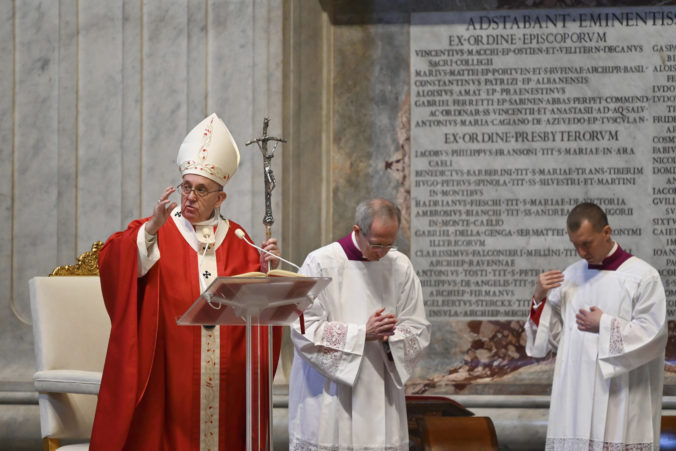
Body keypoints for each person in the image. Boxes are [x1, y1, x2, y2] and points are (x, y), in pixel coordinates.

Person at [90, 113, 282, 450]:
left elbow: (258, 311)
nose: (190, 197)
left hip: (225, 377)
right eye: (186, 187)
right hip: (169, 371)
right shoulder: (157, 229)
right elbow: (111, 261)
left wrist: (267, 272)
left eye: (201, 190)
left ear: (220, 198)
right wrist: (149, 230)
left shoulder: (239, 238)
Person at [288, 198, 431, 450]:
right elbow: (304, 329)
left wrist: (392, 337)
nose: (383, 253)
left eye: (390, 244)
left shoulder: (400, 266)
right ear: (357, 231)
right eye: (377, 244)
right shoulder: (320, 263)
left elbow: (418, 327)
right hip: (331, 394)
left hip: (382, 389)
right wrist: (361, 334)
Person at [526, 202, 667, 450]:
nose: (581, 252)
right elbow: (555, 339)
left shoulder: (642, 276)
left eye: (587, 243)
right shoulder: (570, 277)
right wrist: (539, 298)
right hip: (575, 396)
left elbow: (653, 334)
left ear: (606, 232)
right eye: (575, 245)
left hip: (620, 395)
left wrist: (604, 324)